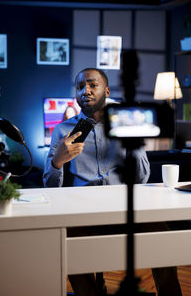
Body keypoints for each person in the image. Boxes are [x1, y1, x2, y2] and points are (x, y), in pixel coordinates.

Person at [43, 68, 181, 296]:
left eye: (92, 85)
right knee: (66, 243)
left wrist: (134, 144)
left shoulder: (125, 124)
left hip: (123, 210)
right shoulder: (62, 131)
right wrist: (57, 162)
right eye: (79, 87)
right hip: (82, 214)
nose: (85, 91)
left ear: (106, 90)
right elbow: (49, 187)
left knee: (162, 234)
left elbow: (142, 178)